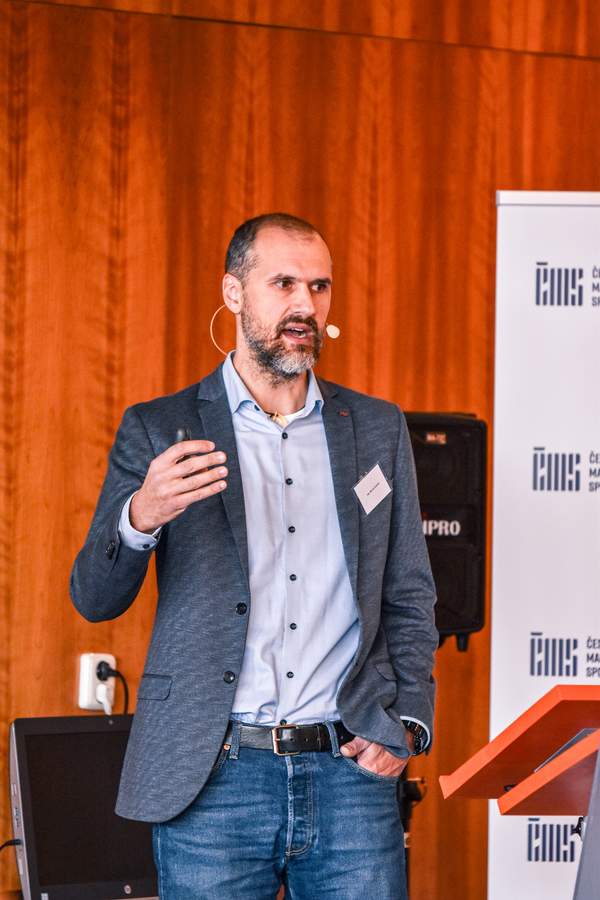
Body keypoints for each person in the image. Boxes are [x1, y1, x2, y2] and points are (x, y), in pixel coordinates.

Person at [71, 212, 438, 900]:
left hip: (350, 772)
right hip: (214, 776)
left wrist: (408, 721)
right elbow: (94, 597)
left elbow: (409, 593)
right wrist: (140, 515)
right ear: (234, 293)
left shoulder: (377, 429)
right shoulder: (161, 427)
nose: (306, 305)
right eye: (284, 284)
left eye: (320, 286)